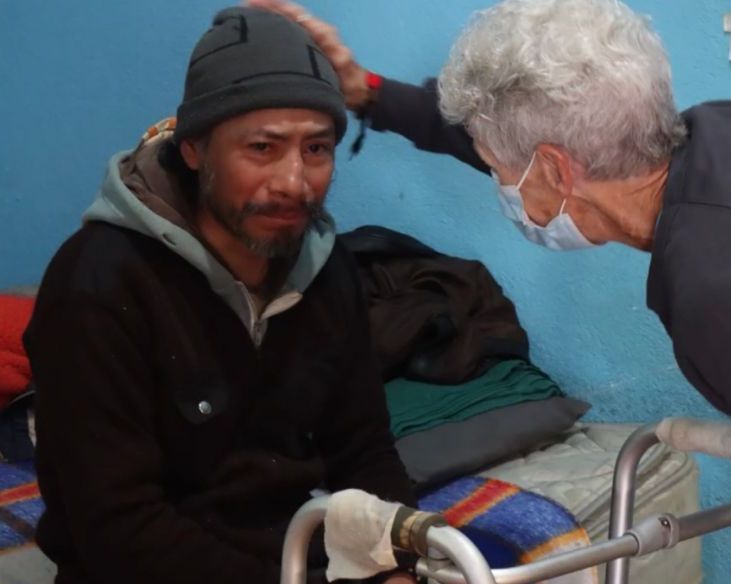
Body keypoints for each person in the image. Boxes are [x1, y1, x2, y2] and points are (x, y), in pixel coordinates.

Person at [23, 7, 417, 584]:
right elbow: (118, 530)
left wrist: (394, 564)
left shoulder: (326, 272)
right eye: (262, 147)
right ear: (193, 149)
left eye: (317, 149)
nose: (292, 181)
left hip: (294, 560)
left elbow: (364, 451)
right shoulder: (98, 285)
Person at [250, 0, 731, 416]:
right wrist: (366, 89)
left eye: (497, 168)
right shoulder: (714, 127)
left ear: (556, 170)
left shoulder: (708, 299)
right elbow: (496, 137)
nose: (503, 186)